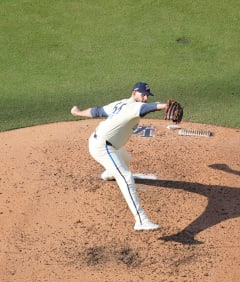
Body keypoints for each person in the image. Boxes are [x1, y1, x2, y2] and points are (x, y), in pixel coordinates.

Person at [70, 82, 171, 231]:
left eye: (147, 96)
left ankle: (108, 174)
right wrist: (163, 106)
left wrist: (78, 112)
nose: (144, 98)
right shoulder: (134, 106)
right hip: (103, 147)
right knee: (126, 177)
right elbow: (146, 108)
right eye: (143, 95)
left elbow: (97, 111)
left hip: (108, 144)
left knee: (126, 159)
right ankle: (141, 221)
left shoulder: (121, 103)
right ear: (134, 93)